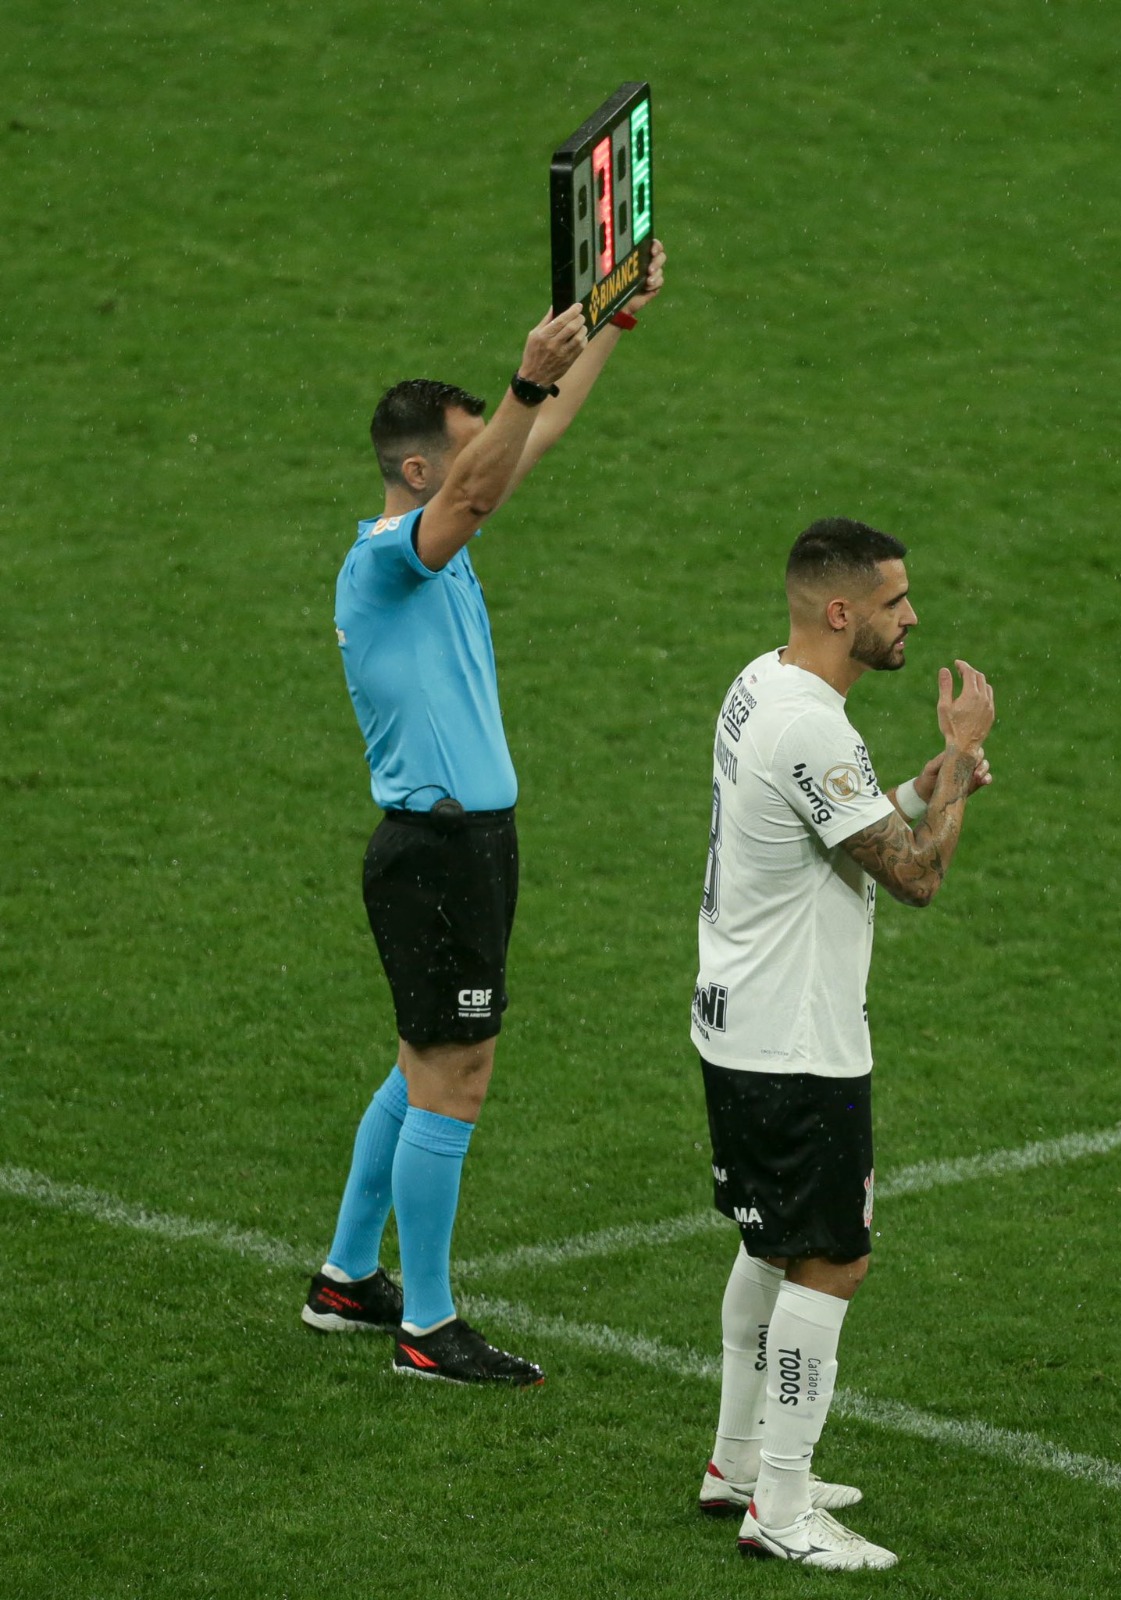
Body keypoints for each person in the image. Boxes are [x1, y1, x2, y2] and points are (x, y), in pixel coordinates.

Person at [301, 243, 667, 1386]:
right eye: (466, 452)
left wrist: (611, 326)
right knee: (455, 1074)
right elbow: (487, 475)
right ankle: (429, 1325)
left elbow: (525, 448)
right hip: (436, 852)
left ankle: (350, 1277)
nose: (493, 467)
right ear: (416, 469)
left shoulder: (442, 532)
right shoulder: (388, 563)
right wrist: (517, 384)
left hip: (468, 846)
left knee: (420, 1063)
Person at [691, 516, 995, 1568]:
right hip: (797, 1044)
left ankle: (738, 1461)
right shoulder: (812, 726)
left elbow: (850, 830)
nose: (912, 615)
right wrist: (956, 767)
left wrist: (916, 791)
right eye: (895, 600)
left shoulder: (762, 684)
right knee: (833, 1261)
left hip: (740, 1018)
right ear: (841, 610)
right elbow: (912, 874)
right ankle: (779, 1507)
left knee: (772, 1244)